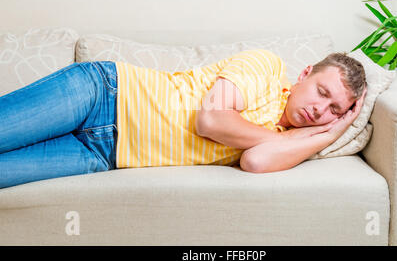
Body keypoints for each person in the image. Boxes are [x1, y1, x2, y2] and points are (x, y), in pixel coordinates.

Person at [0, 49, 367, 188]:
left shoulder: (284, 143)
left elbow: (254, 162)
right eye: (322, 92)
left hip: (102, 153)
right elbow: (210, 120)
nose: (320, 111)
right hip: (102, 95)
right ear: (305, 74)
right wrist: (287, 139)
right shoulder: (266, 67)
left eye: (335, 110)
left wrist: (324, 136)